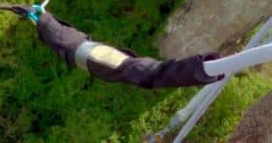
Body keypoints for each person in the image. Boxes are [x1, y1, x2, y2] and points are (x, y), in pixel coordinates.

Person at [13, 5, 224, 88]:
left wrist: (201, 70)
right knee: (131, 67)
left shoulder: (72, 44)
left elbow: (153, 74)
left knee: (134, 69)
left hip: (80, 48)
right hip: (80, 48)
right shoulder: (73, 45)